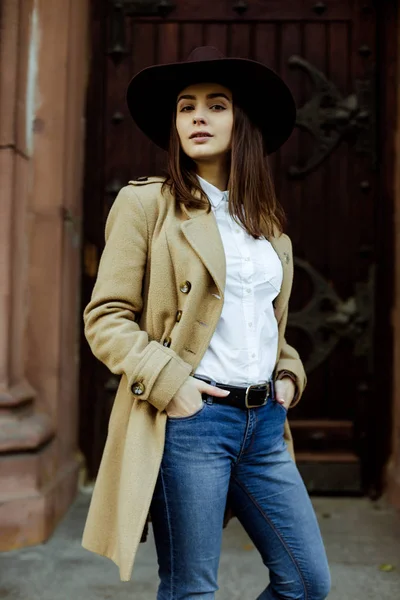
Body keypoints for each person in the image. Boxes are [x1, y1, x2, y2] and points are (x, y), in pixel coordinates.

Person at [81, 46, 331, 600]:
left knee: (307, 583)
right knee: (191, 590)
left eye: (216, 105)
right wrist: (173, 388)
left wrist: (289, 376)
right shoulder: (147, 206)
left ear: (241, 122)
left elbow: (269, 326)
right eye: (185, 107)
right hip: (193, 423)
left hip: (264, 426)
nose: (197, 116)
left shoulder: (268, 228)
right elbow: (106, 317)